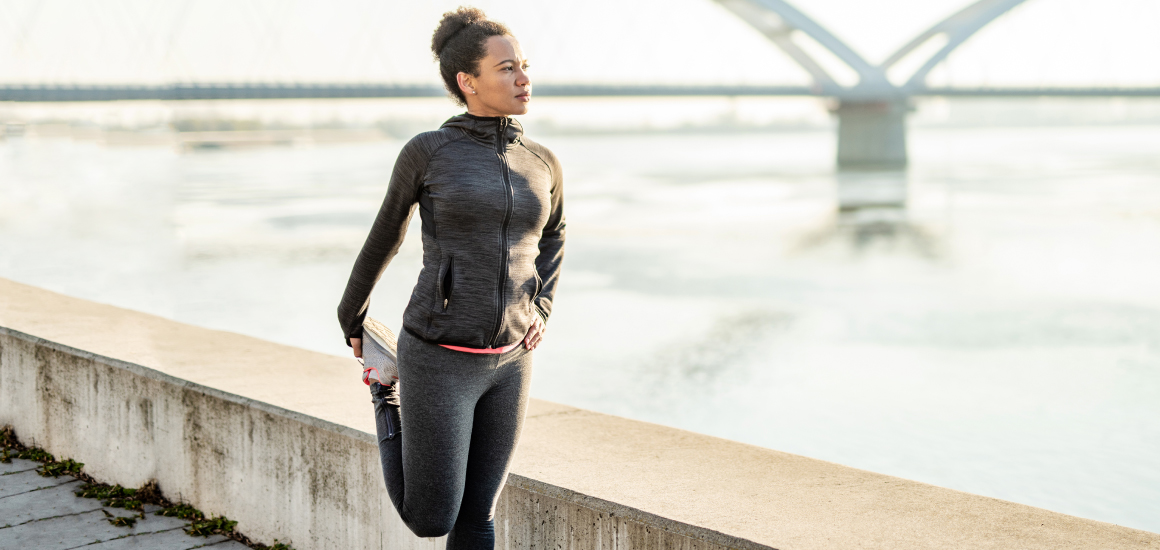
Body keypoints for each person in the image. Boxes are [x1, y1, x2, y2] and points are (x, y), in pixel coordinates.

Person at [335, 6, 565, 550]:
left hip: (510, 361)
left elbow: (554, 237)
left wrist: (543, 308)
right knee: (432, 518)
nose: (523, 78)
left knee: (478, 515)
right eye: (507, 68)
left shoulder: (542, 160)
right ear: (468, 82)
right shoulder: (429, 152)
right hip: (438, 354)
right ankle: (383, 396)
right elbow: (386, 233)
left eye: (524, 65)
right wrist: (353, 314)